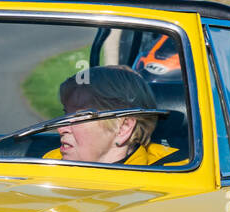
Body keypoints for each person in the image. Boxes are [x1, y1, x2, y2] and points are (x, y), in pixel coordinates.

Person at [45, 65, 177, 165]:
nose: (61, 128)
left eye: (78, 116)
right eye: (66, 114)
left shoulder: (167, 179)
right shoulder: (48, 163)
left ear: (123, 128)